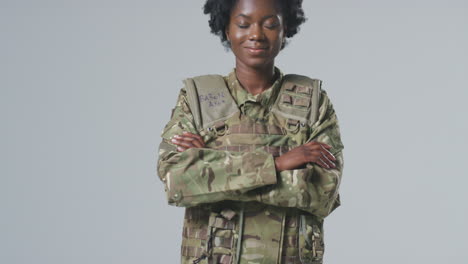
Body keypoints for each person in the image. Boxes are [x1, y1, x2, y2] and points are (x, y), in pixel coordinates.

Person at [156, 0, 344, 263]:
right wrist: (278, 164)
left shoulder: (313, 103)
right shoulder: (196, 101)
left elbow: (324, 193)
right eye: (243, 24)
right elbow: (176, 182)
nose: (256, 35)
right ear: (226, 30)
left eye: (269, 25)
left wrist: (215, 171)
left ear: (285, 29)